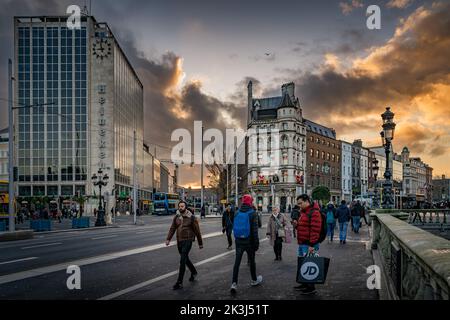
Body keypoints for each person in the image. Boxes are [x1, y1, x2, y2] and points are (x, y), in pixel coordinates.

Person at [166, 200, 203, 290]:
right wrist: (168, 239)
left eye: (182, 206)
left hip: (188, 240)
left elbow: (197, 230)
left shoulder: (191, 217)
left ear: (185, 207)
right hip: (179, 241)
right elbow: (172, 228)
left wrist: (200, 243)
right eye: (179, 206)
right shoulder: (177, 217)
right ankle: (194, 272)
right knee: (185, 259)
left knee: (182, 260)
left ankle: (179, 282)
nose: (180, 208)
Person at [230, 194, 262, 294]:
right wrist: (256, 244)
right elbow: (255, 231)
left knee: (237, 263)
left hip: (239, 241)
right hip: (249, 242)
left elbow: (234, 226)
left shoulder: (237, 212)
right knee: (252, 261)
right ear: (250, 202)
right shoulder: (253, 213)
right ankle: (254, 280)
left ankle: (234, 283)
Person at [293, 194, 322, 295]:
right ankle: (304, 283)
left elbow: (315, 230)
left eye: (300, 203)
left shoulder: (314, 212)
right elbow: (305, 227)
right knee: (303, 264)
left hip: (309, 244)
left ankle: (311, 287)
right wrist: (297, 225)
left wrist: (312, 245)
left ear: (307, 201)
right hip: (302, 243)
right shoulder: (304, 212)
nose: (299, 205)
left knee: (310, 265)